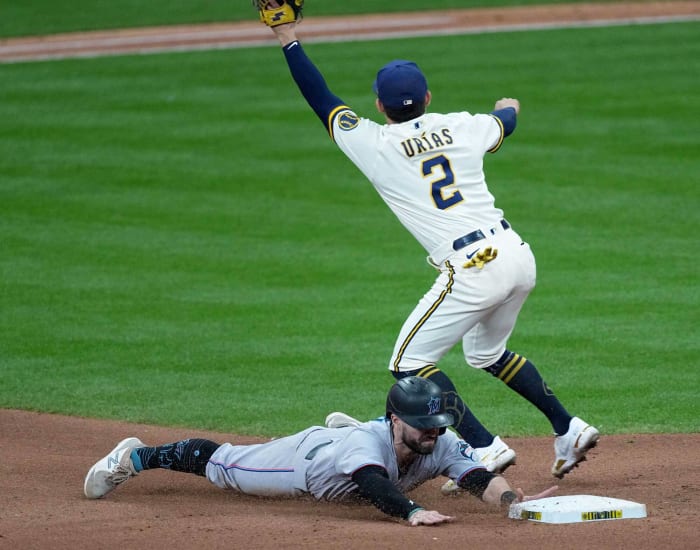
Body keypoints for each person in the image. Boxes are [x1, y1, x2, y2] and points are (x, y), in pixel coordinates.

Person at [259, 4, 599, 485]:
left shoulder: (373, 144)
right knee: (486, 353)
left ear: (378, 105)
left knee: (408, 363)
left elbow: (321, 98)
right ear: (428, 97)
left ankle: (485, 447)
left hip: (471, 266)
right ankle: (569, 428)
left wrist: (287, 37)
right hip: (517, 256)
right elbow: (506, 121)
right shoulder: (462, 124)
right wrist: (509, 107)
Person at [84, 377, 555, 526]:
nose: (433, 434)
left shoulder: (441, 441)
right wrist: (412, 512)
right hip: (306, 463)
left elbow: (476, 477)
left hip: (359, 449)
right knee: (223, 465)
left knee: (380, 457)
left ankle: (346, 436)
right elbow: (372, 486)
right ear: (397, 420)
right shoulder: (371, 445)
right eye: (423, 426)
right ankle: (136, 457)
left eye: (436, 426)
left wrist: (512, 502)